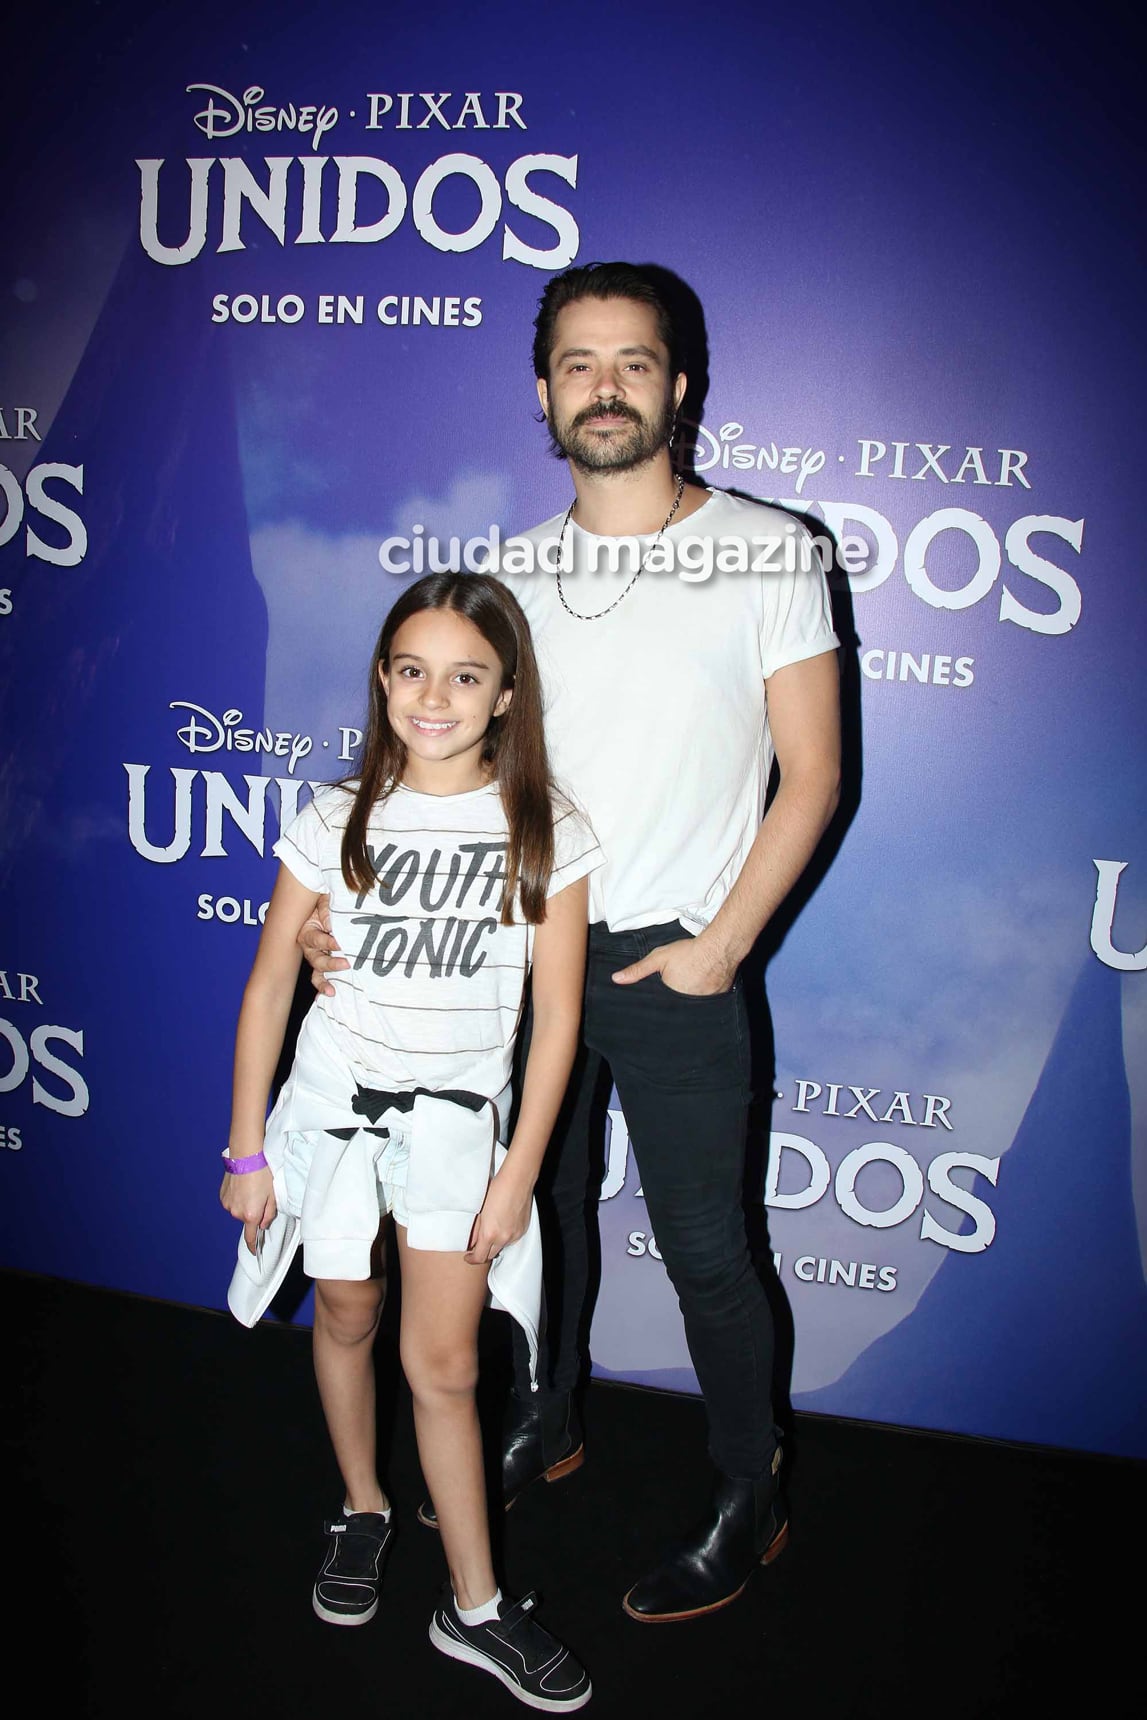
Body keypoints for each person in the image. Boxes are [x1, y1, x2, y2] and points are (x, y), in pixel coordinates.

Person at [304, 263, 841, 1624]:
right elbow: (444, 765)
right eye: (577, 363)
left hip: (672, 962)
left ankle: (747, 1493)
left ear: (679, 384)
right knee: (535, 1214)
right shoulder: (512, 577)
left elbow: (813, 776)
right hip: (507, 954)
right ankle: (547, 1416)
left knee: (707, 1249)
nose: (604, 387)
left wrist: (721, 946)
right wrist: (345, 909)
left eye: (633, 361)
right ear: (543, 393)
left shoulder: (771, 548)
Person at [220, 571, 599, 1710]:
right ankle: (363, 1505)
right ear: (382, 677)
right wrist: (247, 1149)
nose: (433, 695)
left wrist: (518, 1174)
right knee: (343, 1312)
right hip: (330, 1113)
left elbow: (559, 1023)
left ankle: (474, 1604)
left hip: (455, 1134)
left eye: (464, 674)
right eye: (410, 669)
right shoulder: (336, 815)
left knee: (443, 1365)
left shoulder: (547, 828)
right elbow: (272, 980)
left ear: (505, 692)